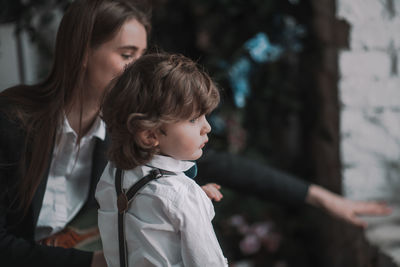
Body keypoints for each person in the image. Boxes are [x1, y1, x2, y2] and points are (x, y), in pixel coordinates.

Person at [0, 0, 390, 266]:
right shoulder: (12, 122)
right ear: (83, 52)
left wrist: (321, 198)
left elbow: (217, 166)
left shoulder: (124, 136)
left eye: (142, 54)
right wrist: (111, 260)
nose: (140, 67)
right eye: (127, 55)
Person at [97, 52, 228, 267]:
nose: (207, 127)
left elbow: (144, 219)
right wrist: (191, 202)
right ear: (150, 135)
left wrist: (193, 201)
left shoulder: (114, 172)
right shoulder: (182, 197)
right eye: (193, 119)